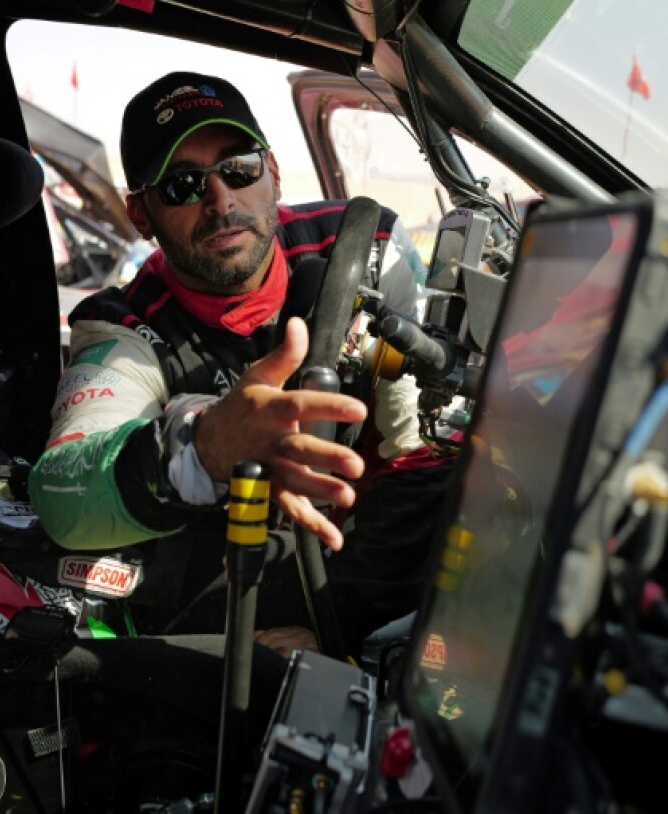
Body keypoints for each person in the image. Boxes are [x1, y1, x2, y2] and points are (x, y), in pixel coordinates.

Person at [29, 71, 452, 657]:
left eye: (238, 168)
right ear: (141, 216)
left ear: (272, 173)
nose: (221, 200)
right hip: (234, 603)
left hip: (374, 576)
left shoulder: (369, 247)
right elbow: (63, 496)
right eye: (181, 185)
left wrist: (339, 626)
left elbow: (423, 457)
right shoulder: (122, 325)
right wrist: (206, 446)